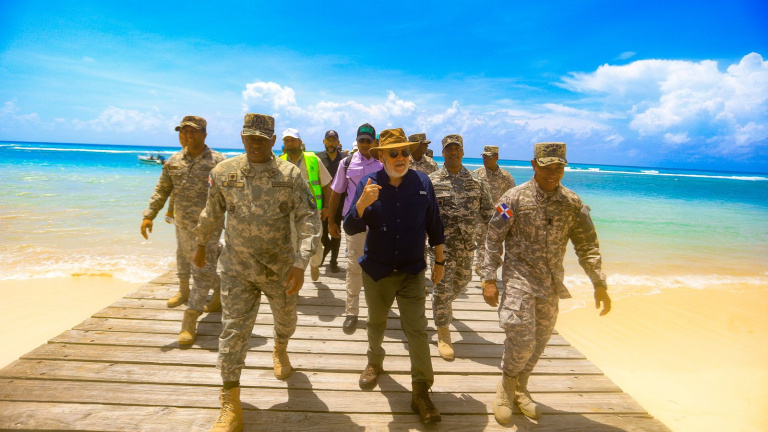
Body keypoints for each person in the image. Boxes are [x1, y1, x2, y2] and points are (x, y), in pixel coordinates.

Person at [192, 113, 320, 432]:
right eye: (250, 137)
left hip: (281, 270)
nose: (255, 144)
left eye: (262, 139)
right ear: (241, 137)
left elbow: (308, 218)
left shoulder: (290, 175)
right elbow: (212, 212)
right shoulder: (224, 171)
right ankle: (230, 404)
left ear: (273, 141)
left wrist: (301, 262)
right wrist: (201, 244)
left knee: (287, 322)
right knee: (233, 332)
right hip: (237, 268)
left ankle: (280, 346)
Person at [481, 142, 611, 424]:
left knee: (539, 342)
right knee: (521, 336)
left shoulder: (572, 203)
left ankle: (520, 387)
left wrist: (599, 283)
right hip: (518, 278)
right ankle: (505, 387)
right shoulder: (512, 199)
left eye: (558, 168)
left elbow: (587, 244)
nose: (553, 173)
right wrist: (488, 277)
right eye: (547, 167)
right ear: (534, 165)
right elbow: (493, 238)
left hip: (550, 284)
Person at [343, 128, 445, 425]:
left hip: (412, 270)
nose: (400, 158)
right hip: (378, 271)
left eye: (404, 152)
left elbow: (434, 223)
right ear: (382, 156)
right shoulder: (368, 182)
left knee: (417, 330)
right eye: (393, 153)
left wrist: (440, 259)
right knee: (376, 323)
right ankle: (375, 363)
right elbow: (351, 228)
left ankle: (421, 391)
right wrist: (361, 204)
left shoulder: (423, 182)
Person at [140, 115, 225, 345]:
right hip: (183, 224)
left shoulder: (218, 162)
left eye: (193, 131)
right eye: (184, 131)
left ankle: (190, 320)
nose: (188, 135)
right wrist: (149, 215)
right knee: (198, 265)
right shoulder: (173, 161)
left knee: (201, 268)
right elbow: (162, 190)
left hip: (209, 227)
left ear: (204, 134)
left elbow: (232, 195)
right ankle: (218, 294)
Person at [428, 134, 494, 361]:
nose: (453, 152)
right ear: (443, 153)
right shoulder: (432, 181)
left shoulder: (476, 181)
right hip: (441, 247)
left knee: (463, 281)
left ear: (463, 152)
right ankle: (443, 332)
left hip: (467, 246)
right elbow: (422, 215)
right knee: (442, 288)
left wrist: (506, 230)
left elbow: (489, 213)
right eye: (449, 149)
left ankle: (443, 304)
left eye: (457, 149)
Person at [327, 123, 382, 334]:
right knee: (353, 267)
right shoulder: (346, 163)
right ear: (357, 141)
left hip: (378, 224)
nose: (365, 144)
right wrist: (332, 221)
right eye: (362, 140)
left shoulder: (383, 162)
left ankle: (376, 311)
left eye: (369, 141)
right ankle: (351, 312)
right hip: (355, 222)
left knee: (378, 267)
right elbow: (336, 192)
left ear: (375, 142)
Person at [279, 128, 333, 282]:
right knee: (292, 246)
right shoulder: (280, 161)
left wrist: (326, 207)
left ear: (300, 142)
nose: (289, 143)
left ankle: (314, 264)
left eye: (292, 140)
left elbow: (326, 184)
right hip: (289, 213)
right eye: (286, 140)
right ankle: (295, 281)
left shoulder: (314, 160)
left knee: (315, 244)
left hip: (312, 211)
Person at [472, 145, 516, 278]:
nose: (485, 159)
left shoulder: (505, 176)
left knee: (497, 246)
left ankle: (489, 268)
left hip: (500, 215)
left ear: (496, 157)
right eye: (484, 156)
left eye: (488, 156)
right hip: (481, 215)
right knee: (481, 245)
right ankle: (483, 274)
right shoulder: (476, 174)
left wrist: (509, 217)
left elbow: (512, 197)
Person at [316, 130, 344, 274]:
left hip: (339, 203)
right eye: (329, 140)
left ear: (338, 142)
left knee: (336, 231)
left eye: (334, 140)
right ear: (324, 141)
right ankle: (325, 249)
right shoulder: (318, 158)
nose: (331, 143)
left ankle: (333, 261)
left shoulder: (344, 159)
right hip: (322, 203)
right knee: (321, 233)